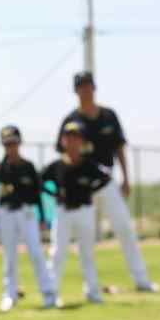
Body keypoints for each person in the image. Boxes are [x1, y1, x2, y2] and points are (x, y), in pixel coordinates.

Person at [56, 71, 158, 292]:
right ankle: (90, 287)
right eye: (81, 86)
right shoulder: (70, 120)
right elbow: (62, 153)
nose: (85, 89)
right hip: (81, 190)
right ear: (75, 90)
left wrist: (126, 178)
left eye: (88, 85)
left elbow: (119, 147)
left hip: (105, 182)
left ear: (94, 87)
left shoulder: (109, 116)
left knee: (124, 228)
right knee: (86, 239)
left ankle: (142, 280)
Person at [43, 121, 111, 305]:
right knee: (57, 253)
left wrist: (91, 189)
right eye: (69, 138)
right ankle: (52, 294)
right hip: (63, 212)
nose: (73, 142)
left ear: (81, 141)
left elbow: (106, 177)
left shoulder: (88, 164)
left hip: (85, 211)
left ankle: (93, 292)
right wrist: (54, 194)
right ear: (63, 141)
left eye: (76, 138)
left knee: (87, 252)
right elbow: (39, 182)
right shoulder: (57, 166)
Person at [0, 126, 55, 311]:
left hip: (25, 213)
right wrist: (5, 160)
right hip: (6, 213)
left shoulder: (28, 166)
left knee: (36, 252)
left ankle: (48, 293)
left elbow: (37, 193)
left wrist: (42, 217)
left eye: (13, 143)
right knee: (9, 256)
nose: (11, 147)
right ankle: (9, 295)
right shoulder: (3, 167)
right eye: (7, 144)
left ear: (19, 143)